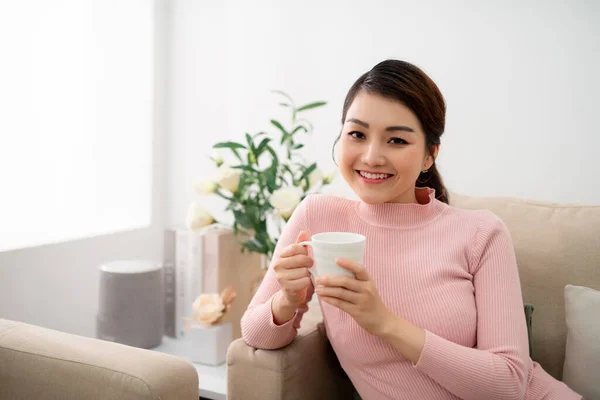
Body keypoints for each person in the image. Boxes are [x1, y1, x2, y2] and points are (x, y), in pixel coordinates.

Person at [240, 60, 581, 399]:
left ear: (429, 155)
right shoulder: (318, 218)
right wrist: (287, 301)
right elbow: (255, 335)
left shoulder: (481, 233)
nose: (372, 157)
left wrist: (384, 323)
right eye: (357, 134)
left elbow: (508, 385)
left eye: (397, 141)